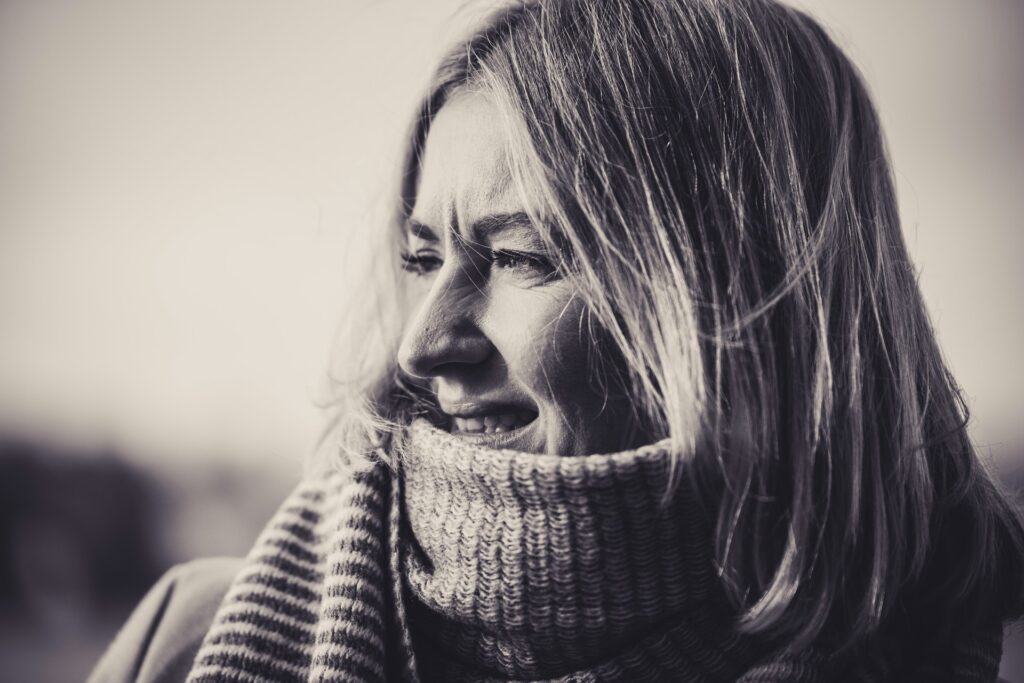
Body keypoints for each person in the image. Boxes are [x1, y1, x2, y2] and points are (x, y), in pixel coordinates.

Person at [89, 0, 1024, 681]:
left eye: (520, 257)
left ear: (748, 297)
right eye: (422, 258)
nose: (422, 345)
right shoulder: (185, 640)